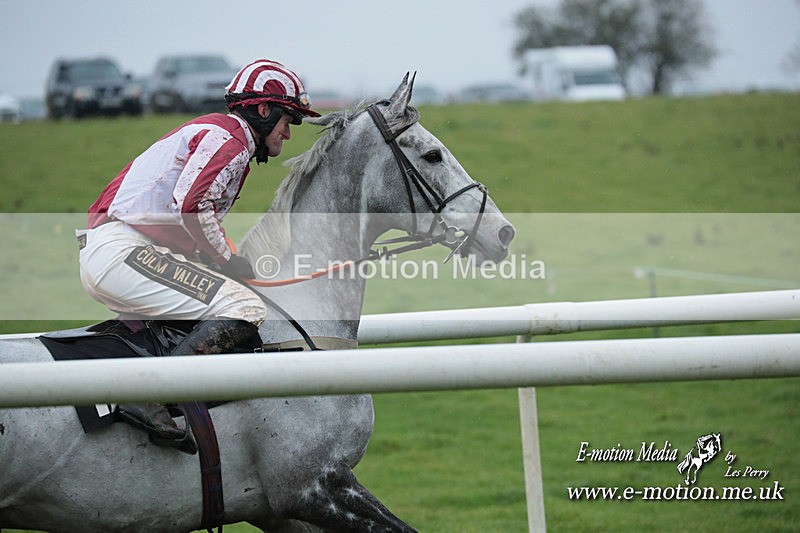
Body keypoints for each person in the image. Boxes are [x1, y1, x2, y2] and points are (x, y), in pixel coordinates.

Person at [77, 59, 320, 450]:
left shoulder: (218, 133)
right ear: (264, 111)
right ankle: (147, 394)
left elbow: (186, 216)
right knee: (243, 307)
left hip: (118, 249)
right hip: (122, 252)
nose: (288, 134)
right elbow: (192, 207)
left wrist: (224, 260)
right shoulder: (232, 139)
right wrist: (228, 261)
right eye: (288, 120)